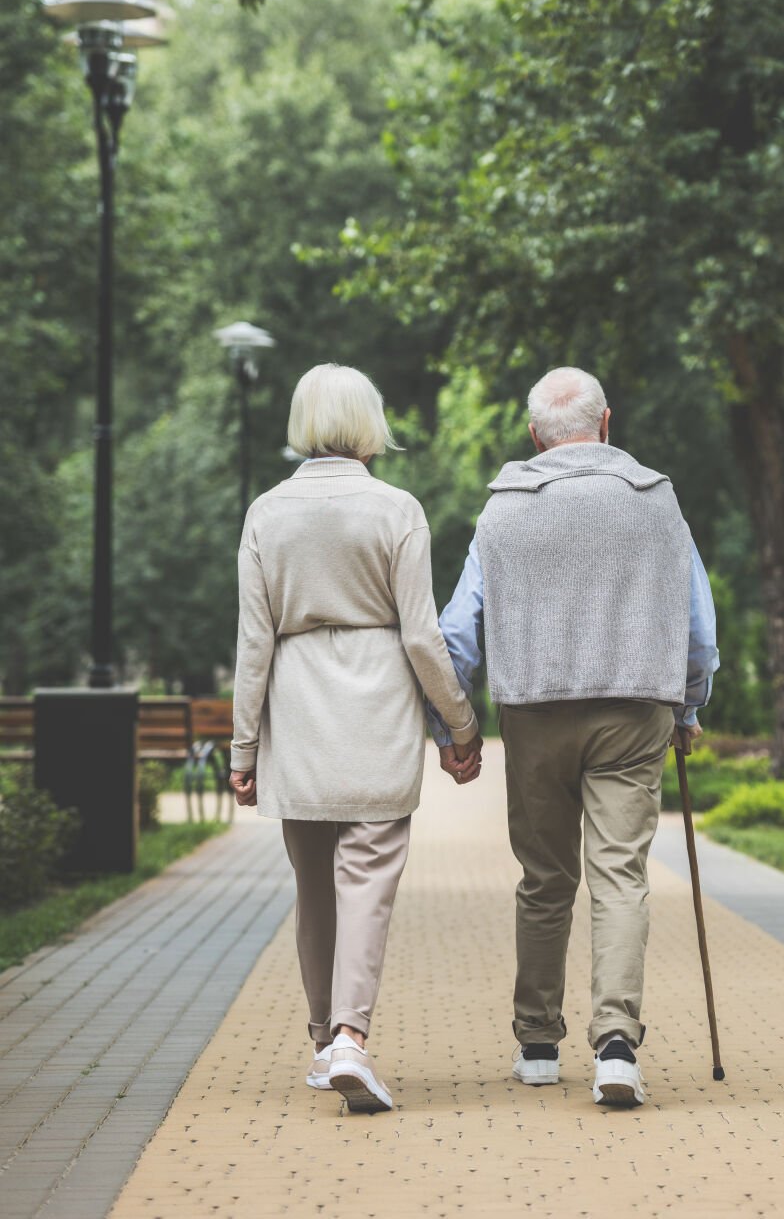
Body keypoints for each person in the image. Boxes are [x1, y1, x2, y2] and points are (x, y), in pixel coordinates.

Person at [429, 367, 718, 1108]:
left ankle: (536, 1042)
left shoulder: (502, 512)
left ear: (535, 436)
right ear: (607, 422)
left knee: (545, 876)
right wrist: (689, 704)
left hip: (534, 711)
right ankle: (617, 1044)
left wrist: (452, 726)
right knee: (620, 874)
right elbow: (697, 627)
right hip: (634, 707)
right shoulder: (659, 502)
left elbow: (457, 631)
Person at [229, 363, 481, 1114]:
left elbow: (251, 643)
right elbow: (425, 637)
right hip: (376, 711)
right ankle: (350, 1035)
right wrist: (461, 725)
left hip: (298, 710)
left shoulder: (266, 514)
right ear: (370, 421)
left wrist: (243, 750)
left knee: (315, 888)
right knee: (367, 879)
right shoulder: (396, 508)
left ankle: (323, 1040)